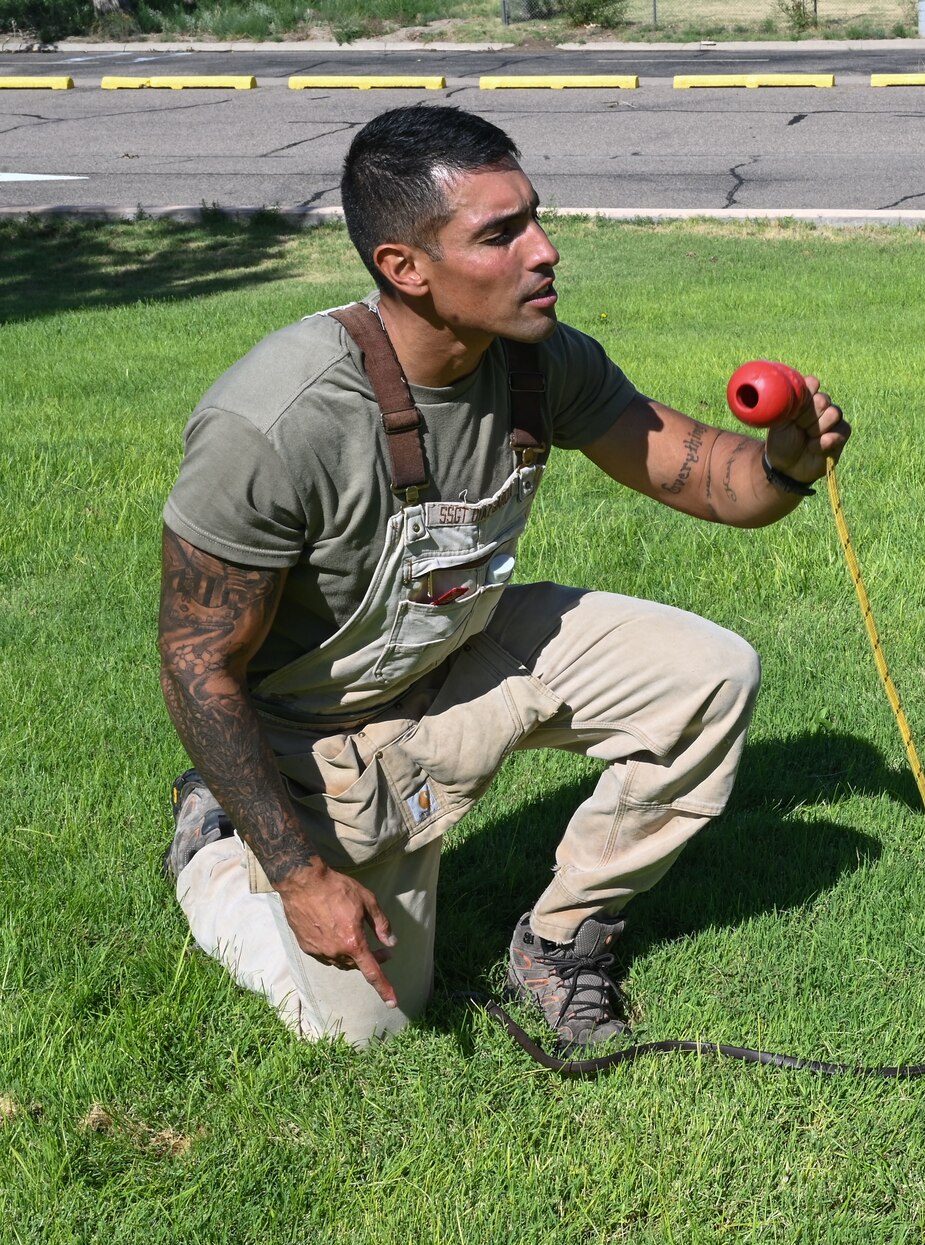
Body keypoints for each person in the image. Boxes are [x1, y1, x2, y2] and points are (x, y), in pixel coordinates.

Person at [157, 105, 848, 1050]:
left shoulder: (536, 361)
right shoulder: (277, 423)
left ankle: (561, 939)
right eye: (500, 233)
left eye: (534, 216)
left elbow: (707, 478)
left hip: (463, 648)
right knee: (369, 1029)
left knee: (708, 672)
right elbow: (197, 665)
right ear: (405, 267)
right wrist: (299, 873)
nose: (545, 249)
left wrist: (788, 464)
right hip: (315, 730)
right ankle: (215, 844)